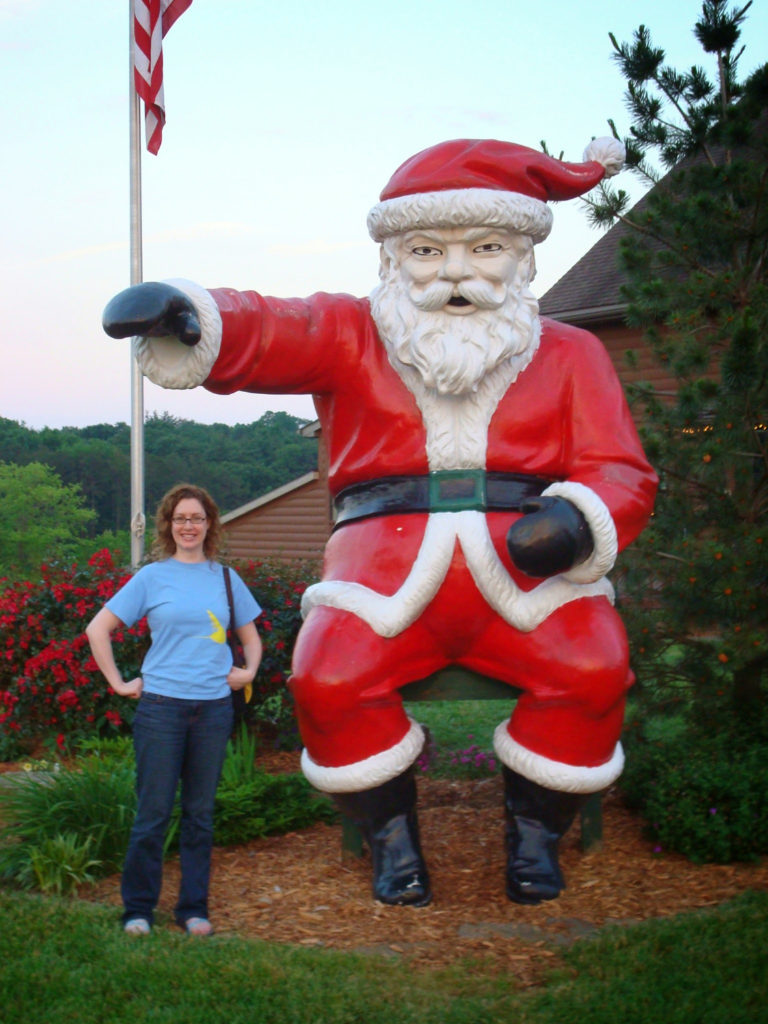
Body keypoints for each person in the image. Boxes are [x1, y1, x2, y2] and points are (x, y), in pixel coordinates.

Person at [101, 137, 658, 909]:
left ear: (523, 255)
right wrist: (191, 315)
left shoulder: (571, 352)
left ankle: (535, 838)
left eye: (486, 247)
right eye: (428, 250)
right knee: (328, 677)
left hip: (531, 565)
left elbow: (622, 470)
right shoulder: (352, 333)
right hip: (379, 569)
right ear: (394, 257)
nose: (457, 272)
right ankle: (393, 844)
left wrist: (577, 519)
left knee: (593, 669)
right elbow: (269, 327)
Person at [86, 483, 262, 935]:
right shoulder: (151, 577)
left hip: (212, 711)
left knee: (200, 815)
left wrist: (248, 671)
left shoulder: (225, 578)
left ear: (209, 525)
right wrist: (119, 683)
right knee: (154, 813)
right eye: (181, 518)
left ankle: (193, 909)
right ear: (169, 524)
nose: (189, 526)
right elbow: (97, 629)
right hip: (161, 710)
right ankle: (138, 909)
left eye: (197, 519)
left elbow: (250, 637)